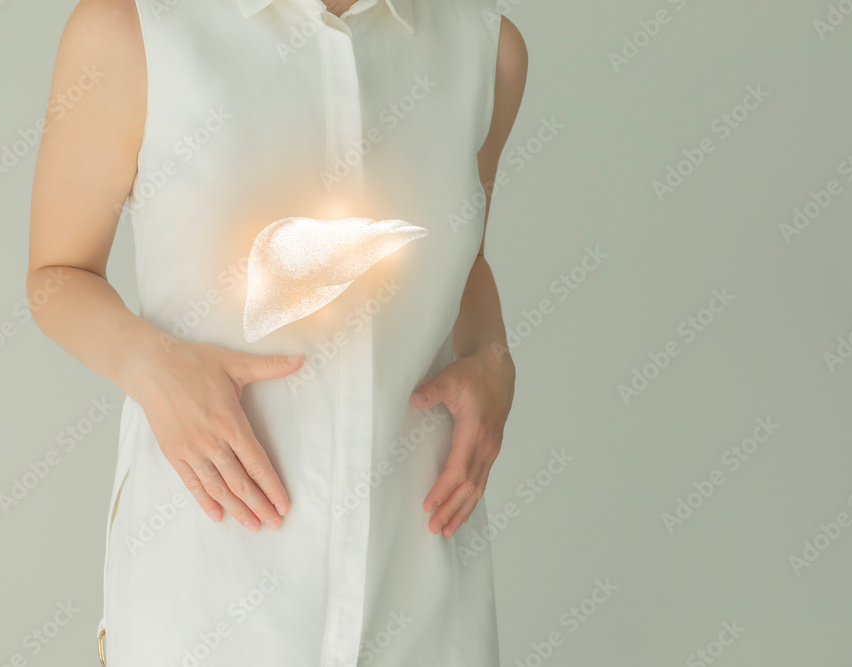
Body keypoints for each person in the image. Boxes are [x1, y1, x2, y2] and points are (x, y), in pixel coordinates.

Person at [27, 0, 527, 664]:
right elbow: (57, 276)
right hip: (205, 594)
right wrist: (152, 365)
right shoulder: (133, 28)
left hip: (423, 590)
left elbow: (467, 259)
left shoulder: (486, 51)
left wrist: (493, 355)